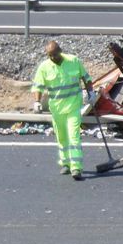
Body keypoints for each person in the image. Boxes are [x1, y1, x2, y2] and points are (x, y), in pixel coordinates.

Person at [31, 40, 94, 180]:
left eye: (54, 54)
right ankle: (65, 163)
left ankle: (76, 167)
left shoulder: (73, 61)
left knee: (74, 135)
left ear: (60, 51)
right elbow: (38, 86)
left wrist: (91, 92)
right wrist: (37, 101)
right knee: (61, 135)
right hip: (57, 108)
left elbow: (86, 77)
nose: (53, 58)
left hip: (73, 105)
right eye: (50, 55)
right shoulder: (44, 67)